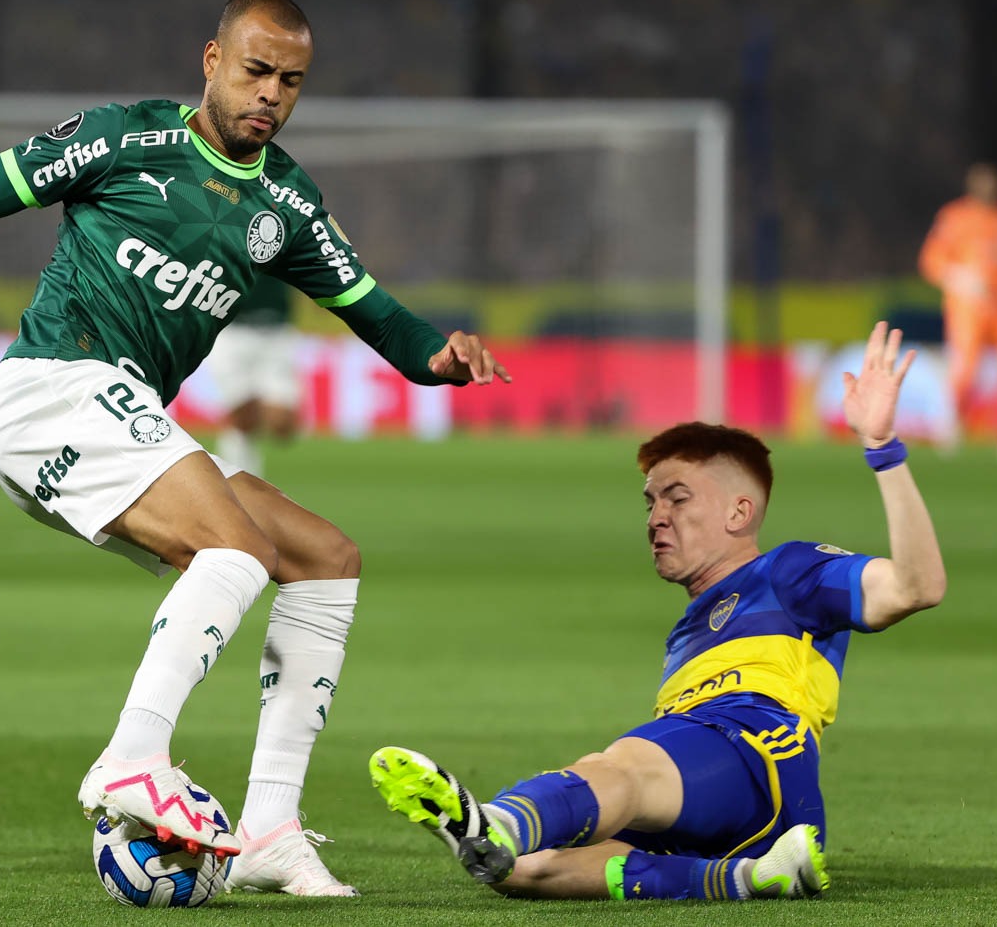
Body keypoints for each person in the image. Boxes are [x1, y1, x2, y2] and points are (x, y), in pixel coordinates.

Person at [0, 0, 510, 898]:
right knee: (237, 549)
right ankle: (132, 755)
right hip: (53, 387)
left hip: (120, 414)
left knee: (323, 557)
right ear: (212, 62)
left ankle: (270, 828)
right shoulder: (124, 137)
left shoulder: (287, 203)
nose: (271, 94)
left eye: (291, 81)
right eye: (255, 70)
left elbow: (380, 318)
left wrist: (440, 357)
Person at [370, 321, 945, 902]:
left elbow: (917, 587)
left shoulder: (787, 571)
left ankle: (499, 821)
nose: (656, 518)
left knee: (621, 769)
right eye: (650, 502)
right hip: (743, 812)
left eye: (678, 498)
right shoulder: (688, 631)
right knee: (524, 869)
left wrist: (883, 448)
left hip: (756, 754)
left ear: (739, 512)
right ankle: (754, 876)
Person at [918, 162, 997, 469]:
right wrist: (958, 277)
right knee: (966, 370)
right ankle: (952, 424)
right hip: (969, 308)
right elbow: (931, 260)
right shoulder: (954, 217)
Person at [203, 271, 302, 478]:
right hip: (232, 332)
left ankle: (238, 475)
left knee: (282, 425)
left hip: (276, 333)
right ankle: (237, 479)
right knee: (243, 417)